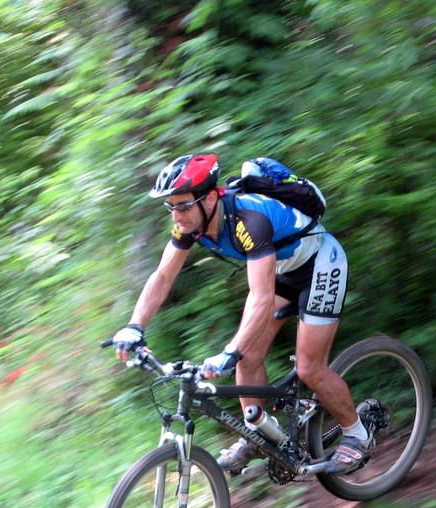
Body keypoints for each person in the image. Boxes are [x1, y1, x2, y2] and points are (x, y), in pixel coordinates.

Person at [110, 152, 372, 475]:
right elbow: (163, 276)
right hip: (282, 269)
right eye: (171, 207)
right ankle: (258, 434)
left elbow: (261, 298)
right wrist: (134, 326)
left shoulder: (248, 220)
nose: (176, 216)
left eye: (183, 206)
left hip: (320, 264)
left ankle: (357, 433)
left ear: (209, 199)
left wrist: (229, 351)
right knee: (247, 357)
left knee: (309, 367)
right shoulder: (191, 225)